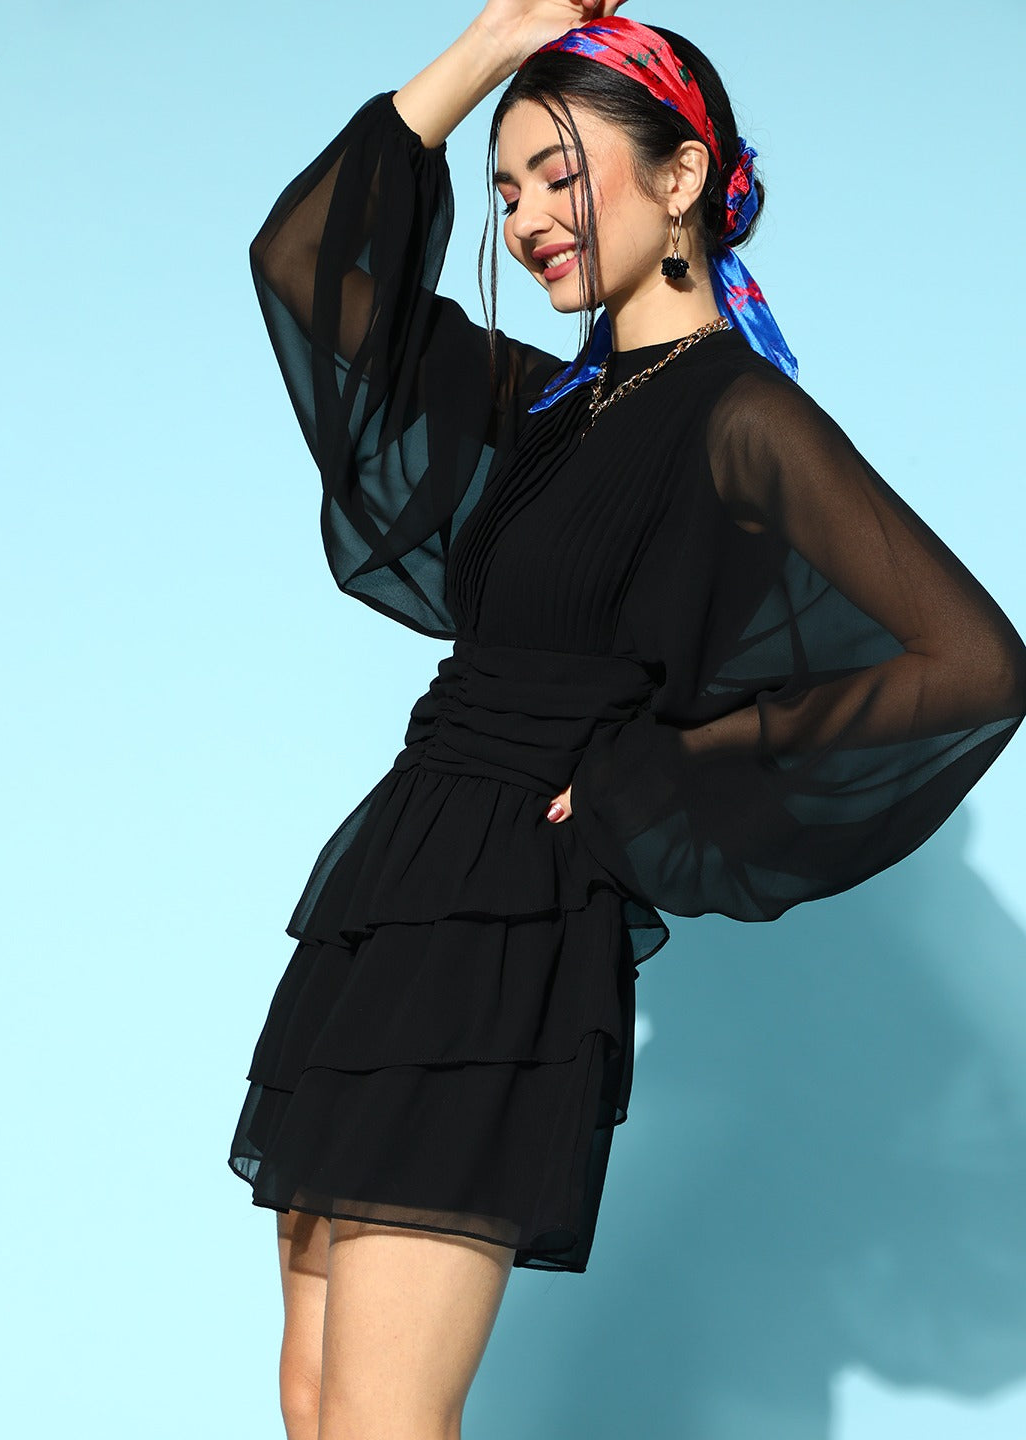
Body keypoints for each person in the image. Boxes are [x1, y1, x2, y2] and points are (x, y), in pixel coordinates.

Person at [227, 3, 1026, 1436]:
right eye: (506, 188)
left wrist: (647, 781)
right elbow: (305, 266)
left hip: (508, 928)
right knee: (313, 1401)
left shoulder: (740, 417)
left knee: (380, 1418)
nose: (528, 217)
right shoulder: (545, 407)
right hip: (398, 886)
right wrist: (494, 43)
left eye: (560, 173)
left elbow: (971, 666)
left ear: (681, 176)